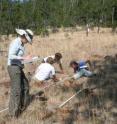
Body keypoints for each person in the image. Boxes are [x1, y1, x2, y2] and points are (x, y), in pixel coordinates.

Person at [7, 29, 34, 118]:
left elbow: (20, 58)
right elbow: (11, 56)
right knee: (16, 90)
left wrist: (28, 59)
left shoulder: (22, 44)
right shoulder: (16, 42)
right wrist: (24, 58)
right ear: (24, 37)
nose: (27, 42)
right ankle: (13, 114)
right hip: (13, 67)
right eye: (27, 40)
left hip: (18, 67)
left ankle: (22, 106)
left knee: (26, 86)